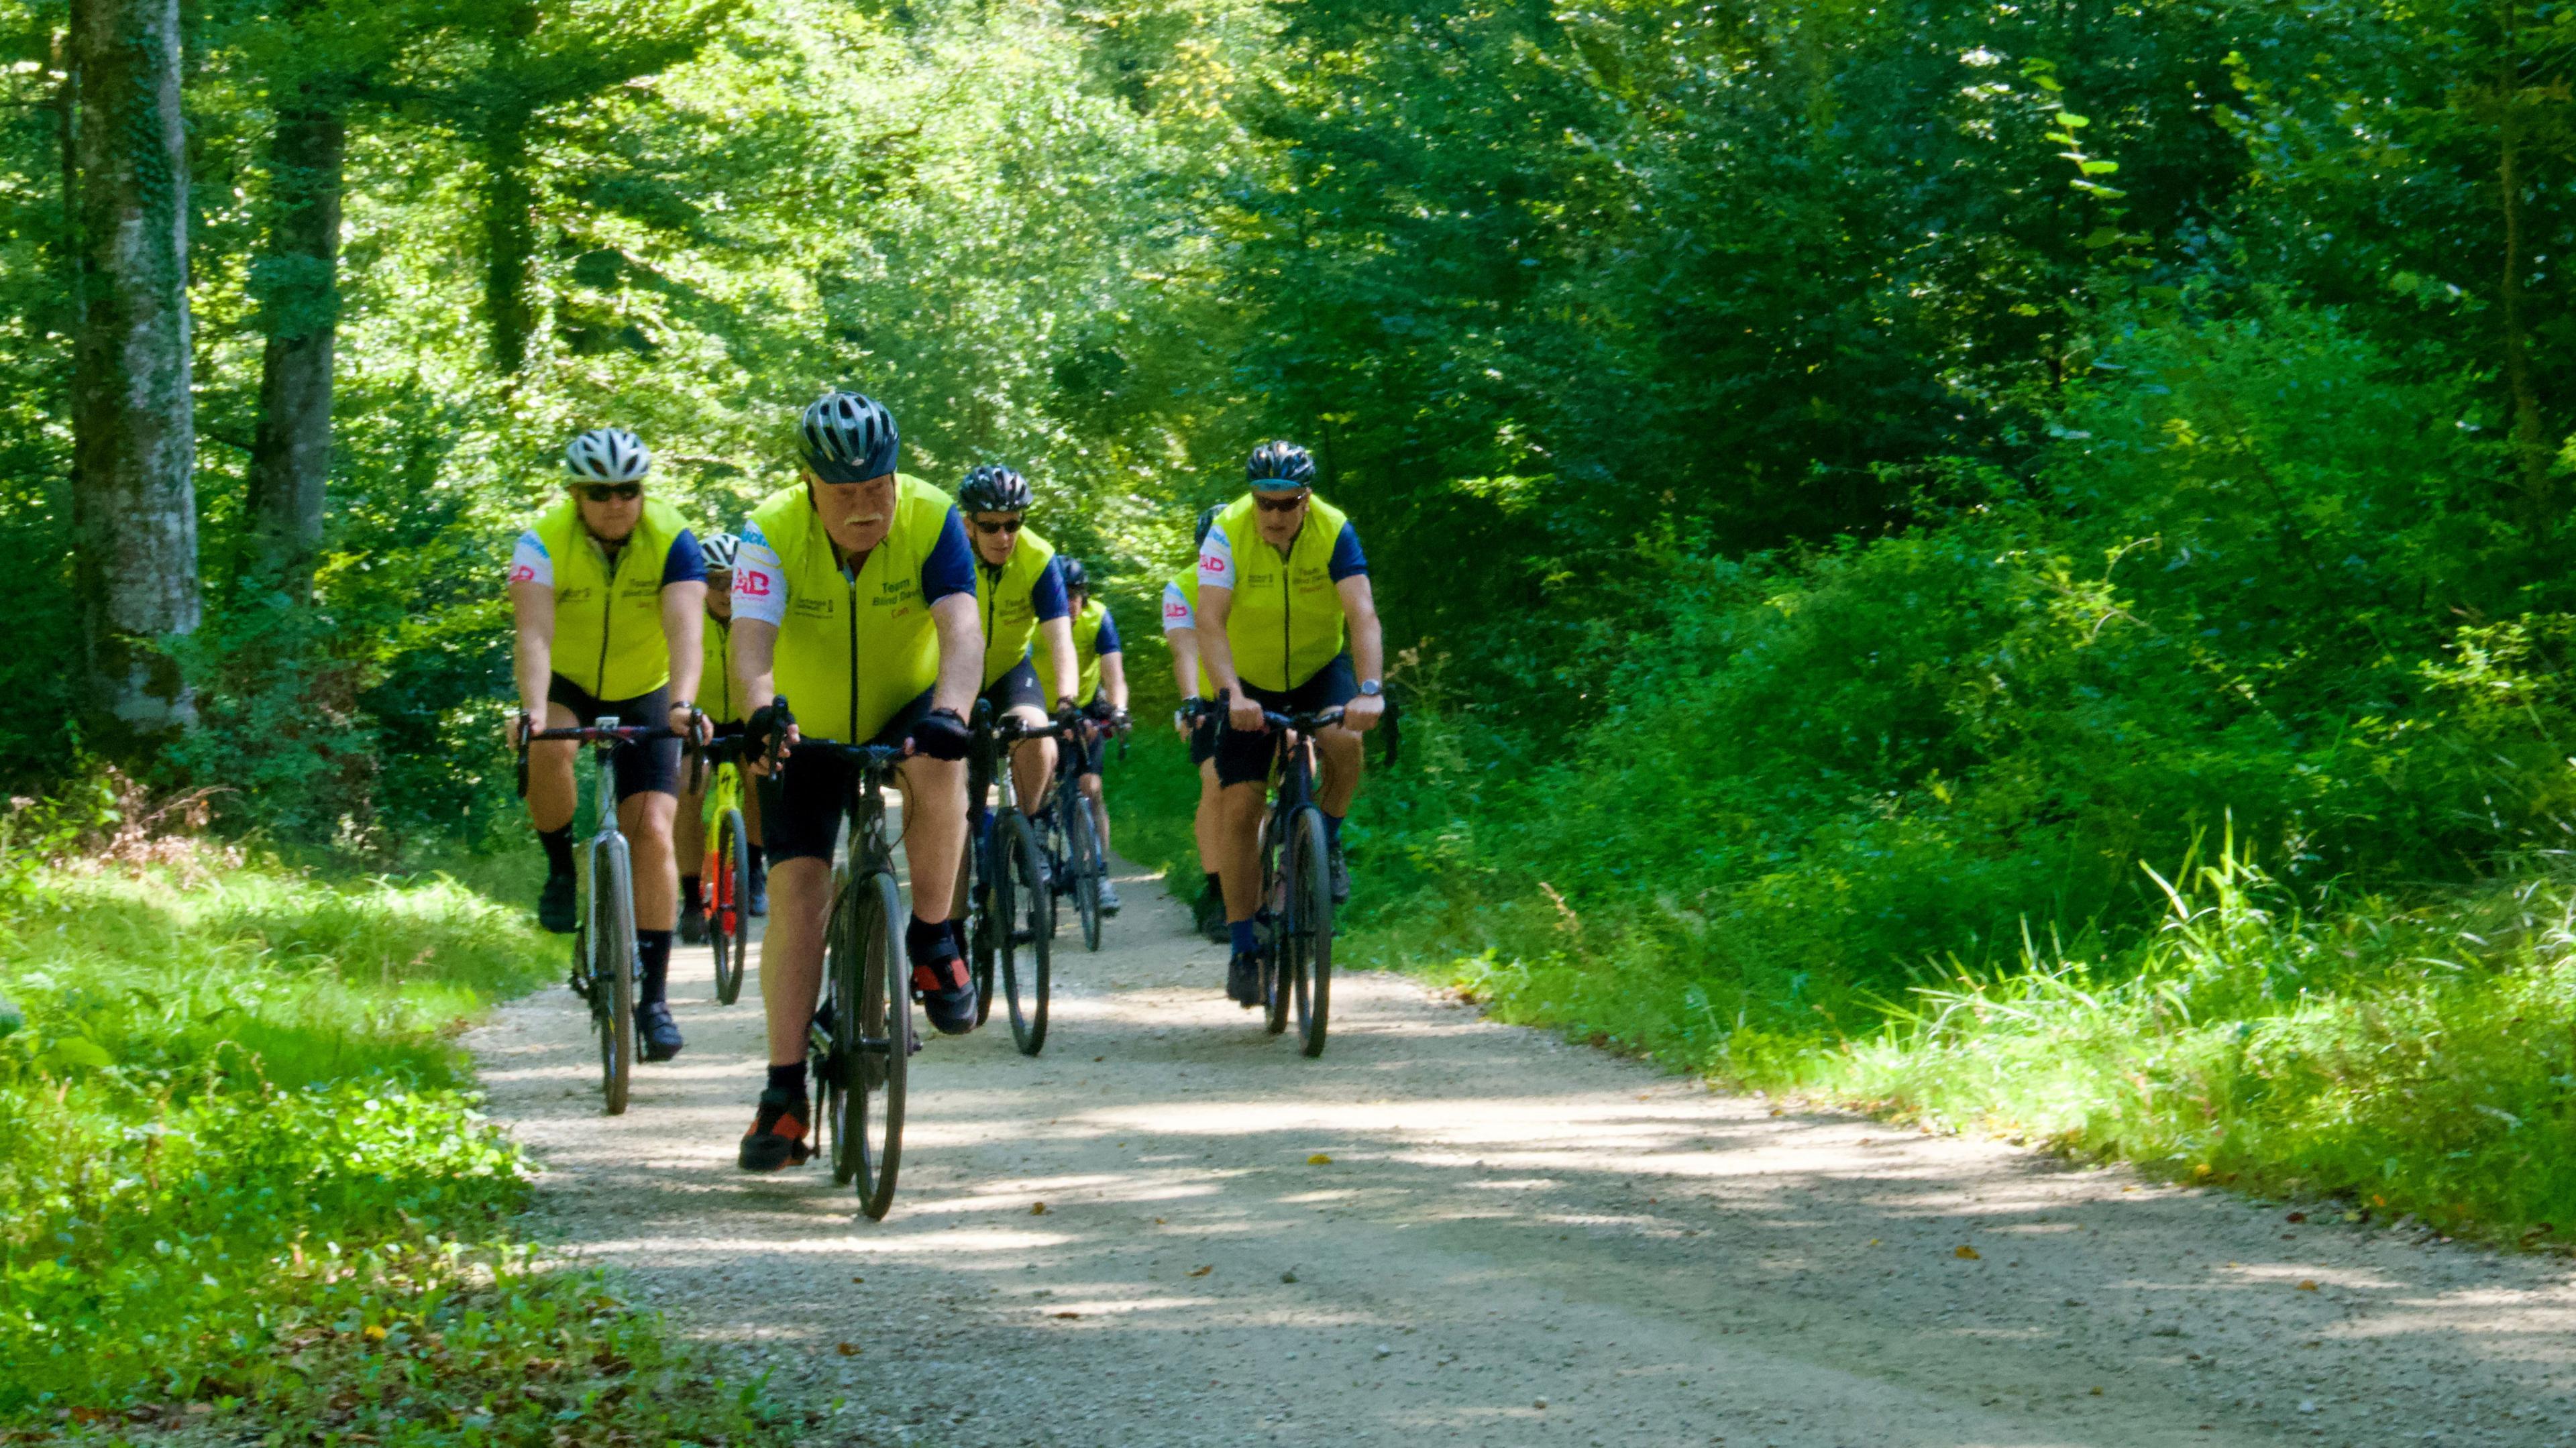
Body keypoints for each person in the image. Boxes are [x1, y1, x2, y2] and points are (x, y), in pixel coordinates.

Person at [727, 392, 983, 1172]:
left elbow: (963, 624)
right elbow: (751, 639)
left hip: (905, 701)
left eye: (879, 486)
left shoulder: (933, 517)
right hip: (802, 720)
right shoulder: (769, 529)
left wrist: (952, 707)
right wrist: (763, 712)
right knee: (801, 893)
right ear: (810, 483)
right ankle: (783, 1092)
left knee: (944, 760)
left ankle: (935, 936)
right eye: (847, 493)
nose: (868, 506)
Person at [506, 427, 708, 1063]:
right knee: (547, 748)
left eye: (630, 489)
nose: (617, 502)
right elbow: (534, 634)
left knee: (651, 828)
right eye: (601, 492)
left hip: (646, 688)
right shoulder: (542, 542)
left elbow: (686, 633)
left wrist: (682, 704)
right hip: (567, 683)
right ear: (575, 494)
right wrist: (533, 711)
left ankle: (654, 999)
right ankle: (561, 871)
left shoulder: (673, 539)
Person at [1195, 441, 1385, 1008]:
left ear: (1307, 498)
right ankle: (1242, 946)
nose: (1275, 515)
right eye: (1264, 503)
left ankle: (1326, 837)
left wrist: (1371, 690)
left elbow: (1362, 614)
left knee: (1345, 740)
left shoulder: (1335, 529)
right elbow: (1209, 619)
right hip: (1247, 679)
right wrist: (1230, 694)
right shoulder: (1226, 531)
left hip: (1318, 666)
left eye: (1288, 503)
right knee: (1240, 805)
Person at [956, 466, 1085, 836]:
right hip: (950, 674)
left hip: (1008, 670)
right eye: (990, 526)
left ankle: (1028, 834)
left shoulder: (1038, 557)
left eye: (1012, 525)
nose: (1003, 537)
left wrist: (1067, 700)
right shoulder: (947, 553)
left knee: (1038, 734)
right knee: (958, 808)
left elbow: (1060, 638)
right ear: (969, 524)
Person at [676, 531, 767, 944]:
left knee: (759, 780)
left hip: (746, 719)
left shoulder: (760, 617)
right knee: (688, 790)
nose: (726, 591)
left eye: (735, 580)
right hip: (700, 720)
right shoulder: (686, 615)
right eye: (715, 581)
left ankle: (754, 873)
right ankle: (691, 899)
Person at [1033, 556, 1131, 915]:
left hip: (1085, 709)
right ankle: (1037, 844)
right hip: (1039, 710)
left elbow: (1114, 673)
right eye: (1062, 594)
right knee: (1040, 787)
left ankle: (1099, 872)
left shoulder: (1098, 618)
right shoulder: (1033, 623)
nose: (1070, 602)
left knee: (1091, 790)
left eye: (1076, 594)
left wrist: (1118, 710)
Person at [1160, 506, 1229, 942]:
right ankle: (1218, 890)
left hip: (1265, 688)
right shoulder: (1182, 587)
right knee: (1215, 783)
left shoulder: (1259, 577)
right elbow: (1184, 650)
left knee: (1303, 762)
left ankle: (1297, 862)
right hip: (1209, 699)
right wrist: (1189, 701)